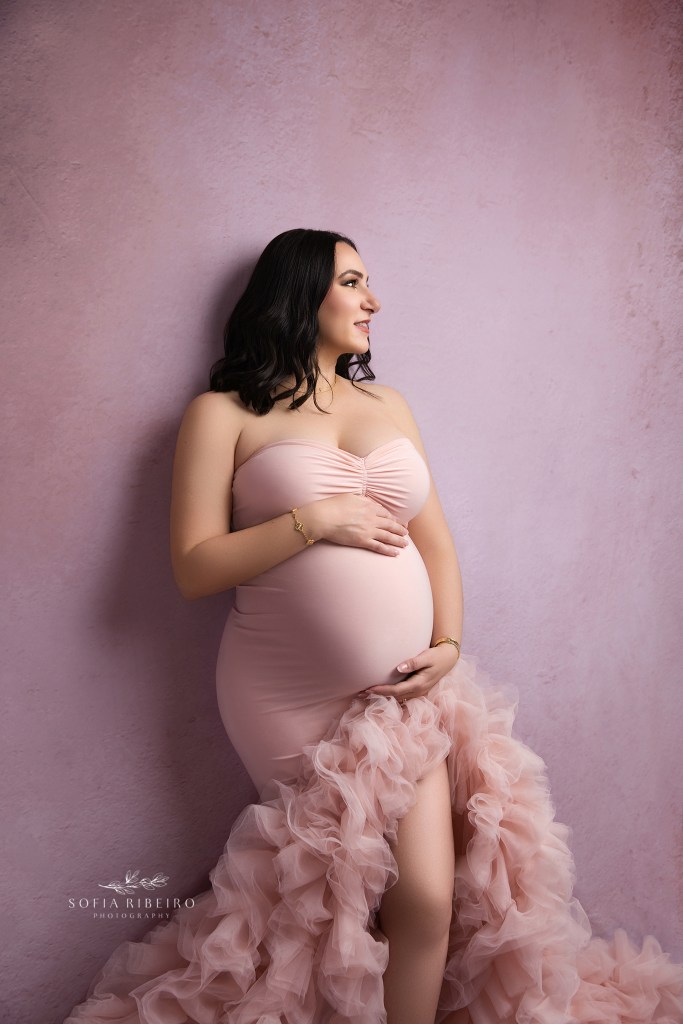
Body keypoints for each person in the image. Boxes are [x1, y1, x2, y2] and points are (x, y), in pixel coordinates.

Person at [65, 229, 683, 1024]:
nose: (373, 302)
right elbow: (193, 566)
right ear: (299, 293)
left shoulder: (388, 405)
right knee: (333, 895)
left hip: (405, 691)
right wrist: (314, 520)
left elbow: (437, 544)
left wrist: (448, 645)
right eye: (353, 282)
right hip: (284, 691)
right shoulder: (223, 413)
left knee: (425, 897)